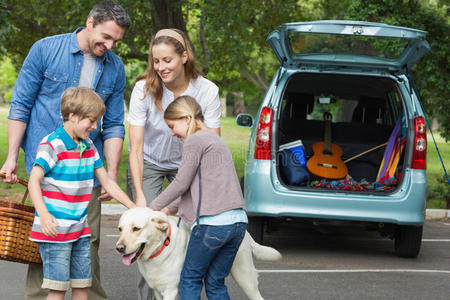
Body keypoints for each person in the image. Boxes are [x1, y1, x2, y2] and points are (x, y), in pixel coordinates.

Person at [0, 2, 130, 299]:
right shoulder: (45, 50)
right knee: (45, 241)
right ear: (90, 22)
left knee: (90, 241)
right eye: (106, 37)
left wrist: (110, 172)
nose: (109, 46)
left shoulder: (116, 68)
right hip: (45, 165)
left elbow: (112, 125)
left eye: (116, 41)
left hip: (87, 169)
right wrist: (11, 158)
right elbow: (20, 104)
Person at [127, 28, 221, 299]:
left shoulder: (207, 90)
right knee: (143, 233)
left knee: (191, 227)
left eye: (167, 60)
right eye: (156, 61)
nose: (160, 67)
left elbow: (210, 149)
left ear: (184, 57)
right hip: (151, 162)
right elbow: (135, 148)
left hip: (188, 163)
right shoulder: (143, 89)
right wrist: (142, 198)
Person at [28, 87, 136, 300]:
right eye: (91, 121)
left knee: (82, 286)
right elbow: (34, 180)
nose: (95, 127)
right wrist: (43, 214)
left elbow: (108, 183)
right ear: (73, 116)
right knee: (58, 288)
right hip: (55, 231)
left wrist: (135, 208)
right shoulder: (53, 144)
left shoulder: (88, 147)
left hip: (80, 229)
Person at [149, 95, 248, 300]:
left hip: (212, 225)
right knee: (215, 282)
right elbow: (193, 186)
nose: (172, 132)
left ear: (186, 119)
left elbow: (181, 183)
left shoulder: (195, 140)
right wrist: (167, 210)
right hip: (238, 223)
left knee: (190, 278)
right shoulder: (215, 140)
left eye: (172, 125)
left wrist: (151, 208)